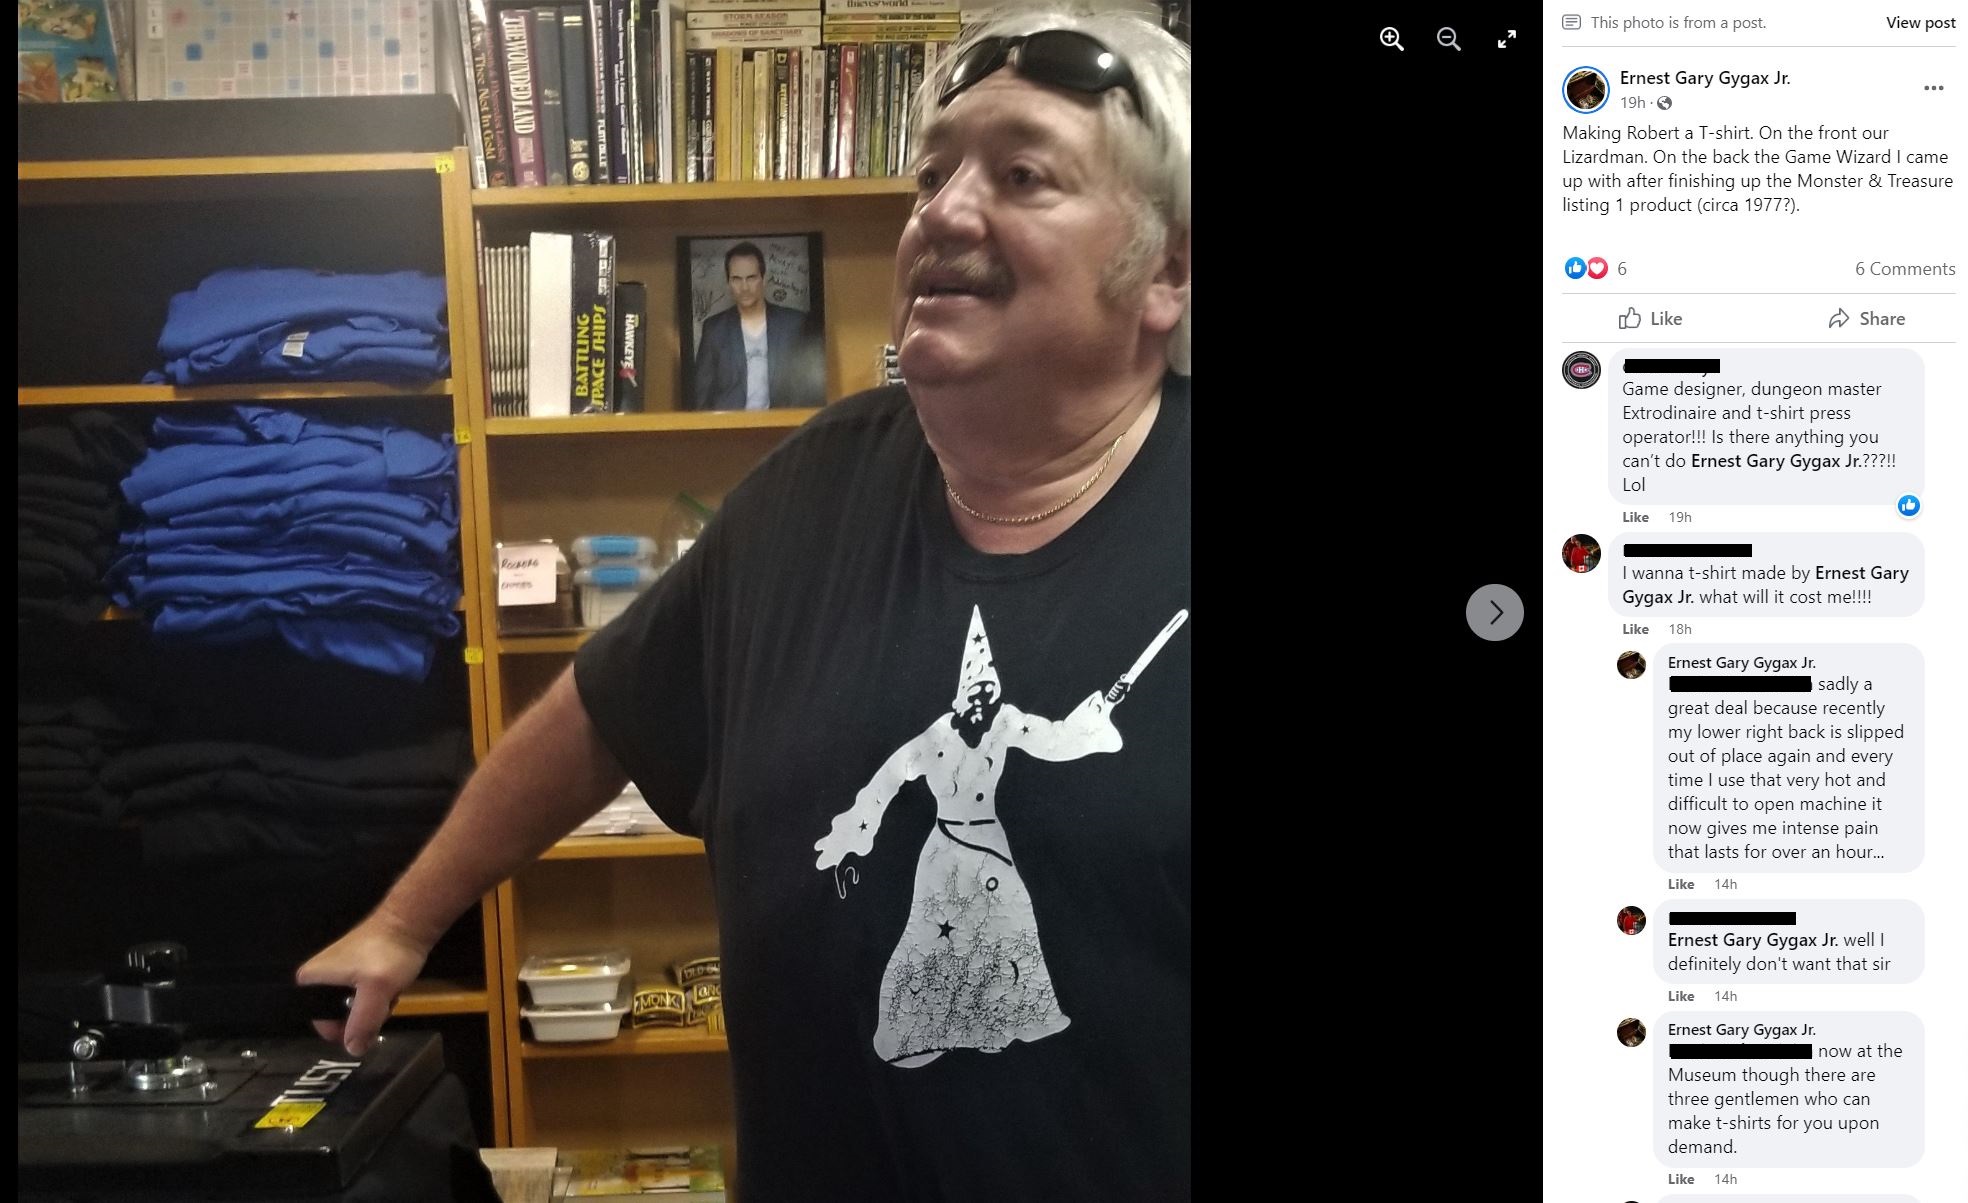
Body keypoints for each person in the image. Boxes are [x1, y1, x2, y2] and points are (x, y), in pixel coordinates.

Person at [300, 8, 1191, 1199]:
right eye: (933, 176)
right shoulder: (808, 491)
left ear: (1168, 270)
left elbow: (1049, 739)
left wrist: (1082, 734)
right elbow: (605, 708)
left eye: (1023, 175)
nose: (943, 213)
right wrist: (407, 922)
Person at [688, 242, 824, 411]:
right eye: (736, 279)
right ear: (728, 282)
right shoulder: (715, 329)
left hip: (782, 422)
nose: (744, 287)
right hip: (730, 423)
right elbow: (701, 396)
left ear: (764, 279)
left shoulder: (794, 324)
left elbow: (808, 390)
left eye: (751, 278)